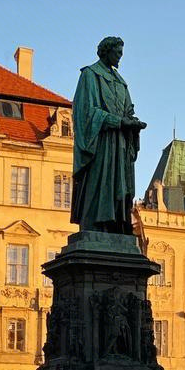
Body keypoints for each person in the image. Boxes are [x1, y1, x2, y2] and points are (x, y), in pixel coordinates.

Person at [71, 36, 146, 234]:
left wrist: (133, 122)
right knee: (100, 182)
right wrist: (118, 121)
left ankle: (116, 226)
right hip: (101, 142)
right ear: (106, 51)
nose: (120, 57)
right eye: (117, 52)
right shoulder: (90, 75)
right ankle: (96, 226)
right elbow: (87, 111)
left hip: (120, 143)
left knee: (120, 187)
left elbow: (128, 110)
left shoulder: (121, 83)